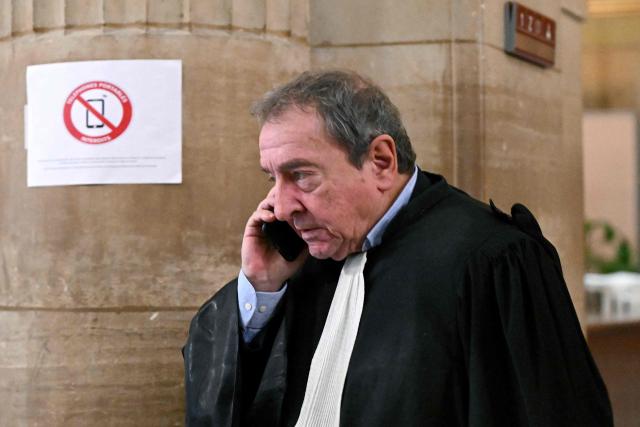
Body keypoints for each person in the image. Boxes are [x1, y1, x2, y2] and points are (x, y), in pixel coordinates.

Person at [183, 70, 613, 427]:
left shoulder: (491, 259)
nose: (279, 205)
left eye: (301, 175)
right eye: (271, 178)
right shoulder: (305, 261)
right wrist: (260, 287)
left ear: (381, 161)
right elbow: (225, 403)